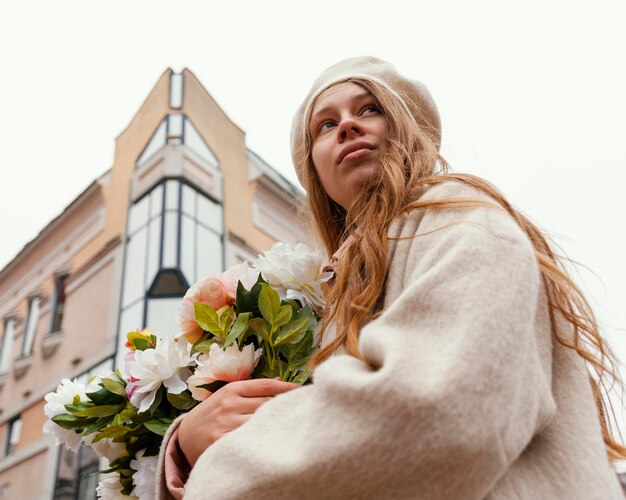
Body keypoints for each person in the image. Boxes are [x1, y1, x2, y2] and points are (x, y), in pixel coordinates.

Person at [156, 56, 626, 499]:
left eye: (369, 109)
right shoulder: (342, 286)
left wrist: (213, 465)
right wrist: (185, 443)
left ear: (406, 128)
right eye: (326, 124)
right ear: (316, 168)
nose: (347, 124)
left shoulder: (456, 217)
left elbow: (440, 410)